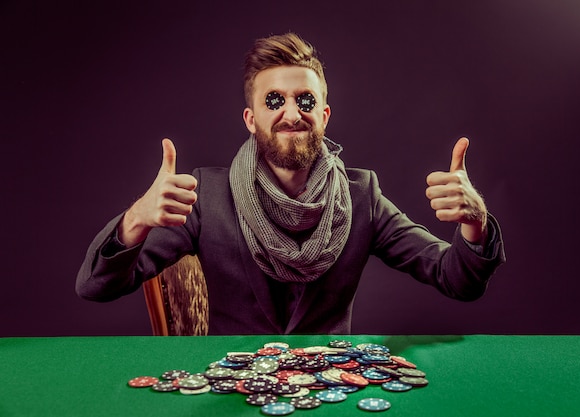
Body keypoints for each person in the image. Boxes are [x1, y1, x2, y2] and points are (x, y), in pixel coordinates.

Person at [76, 33, 505, 335]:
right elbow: (96, 286)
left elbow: (458, 281)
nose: (291, 113)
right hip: (235, 393)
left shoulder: (362, 196)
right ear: (251, 119)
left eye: (305, 100)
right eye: (274, 100)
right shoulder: (207, 196)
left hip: (327, 392)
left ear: (323, 115)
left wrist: (476, 221)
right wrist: (135, 220)